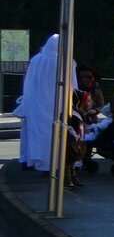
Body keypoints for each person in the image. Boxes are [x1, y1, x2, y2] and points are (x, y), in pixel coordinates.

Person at [13, 34, 68, 172]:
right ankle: (56, 163)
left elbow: (29, 84)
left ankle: (36, 161)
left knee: (36, 134)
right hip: (58, 105)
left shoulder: (36, 60)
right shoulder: (65, 61)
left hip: (37, 105)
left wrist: (28, 100)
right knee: (57, 134)